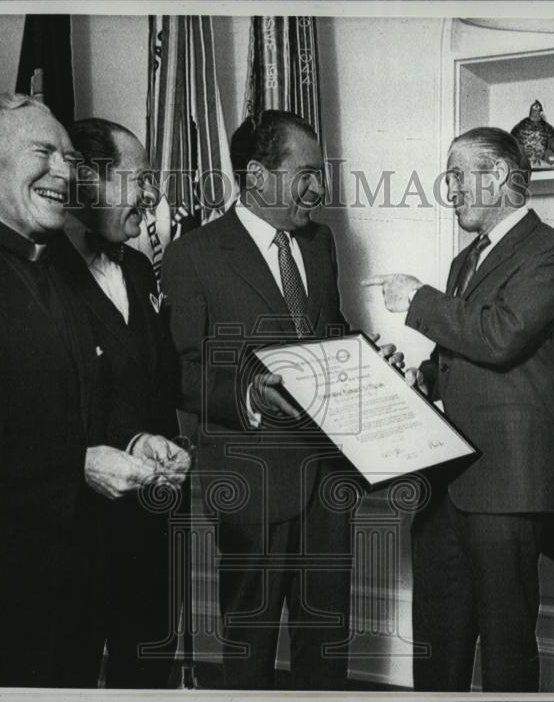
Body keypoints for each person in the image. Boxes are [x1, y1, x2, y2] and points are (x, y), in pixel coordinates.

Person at [0, 94, 187, 687]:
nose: (66, 174)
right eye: (45, 153)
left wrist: (139, 441)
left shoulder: (48, 267)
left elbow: (90, 403)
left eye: (70, 158)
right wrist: (81, 466)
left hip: (75, 584)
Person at [164, 110, 401, 690]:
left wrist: (374, 365)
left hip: (327, 480)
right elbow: (179, 370)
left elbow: (330, 328)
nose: (319, 189)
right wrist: (248, 393)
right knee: (250, 649)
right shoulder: (193, 254)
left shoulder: (318, 244)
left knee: (326, 646)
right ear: (257, 175)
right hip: (252, 484)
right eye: (306, 174)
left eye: (321, 174)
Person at [363, 127, 554, 692]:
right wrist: (416, 377)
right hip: (446, 481)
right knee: (437, 643)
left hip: (507, 485)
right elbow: (456, 356)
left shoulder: (553, 252)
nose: (450, 189)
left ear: (501, 177)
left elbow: (501, 336)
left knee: (507, 649)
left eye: (458, 176)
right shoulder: (466, 260)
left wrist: (417, 299)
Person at [54, 117, 186, 688]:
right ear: (88, 184)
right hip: (74, 533)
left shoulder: (136, 266)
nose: (152, 197)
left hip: (148, 522)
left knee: (148, 667)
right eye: (139, 180)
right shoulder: (41, 274)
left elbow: (155, 381)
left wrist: (161, 443)